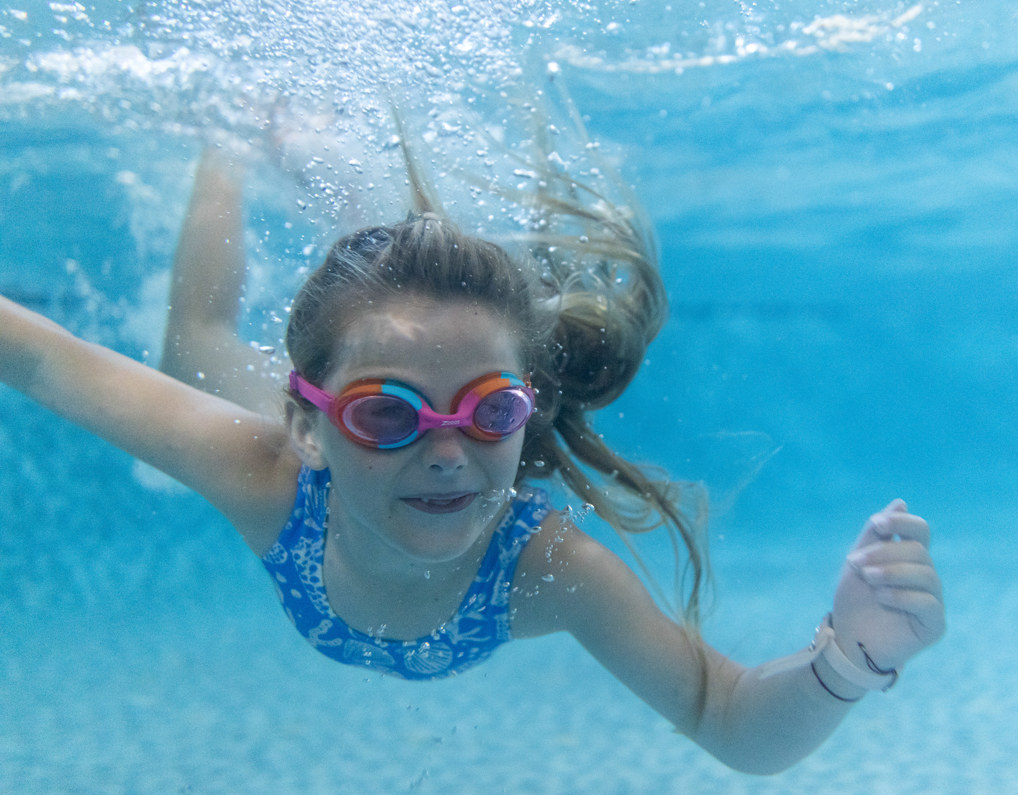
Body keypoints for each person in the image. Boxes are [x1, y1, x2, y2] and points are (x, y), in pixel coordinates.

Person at [0, 113, 944, 775]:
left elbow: (727, 718)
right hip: (299, 426)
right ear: (315, 423)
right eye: (386, 415)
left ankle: (344, 193)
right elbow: (46, 363)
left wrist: (850, 660)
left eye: (490, 412)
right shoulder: (272, 475)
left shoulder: (545, 567)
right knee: (196, 350)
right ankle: (233, 135)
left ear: (524, 411)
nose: (448, 453)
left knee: (396, 320)